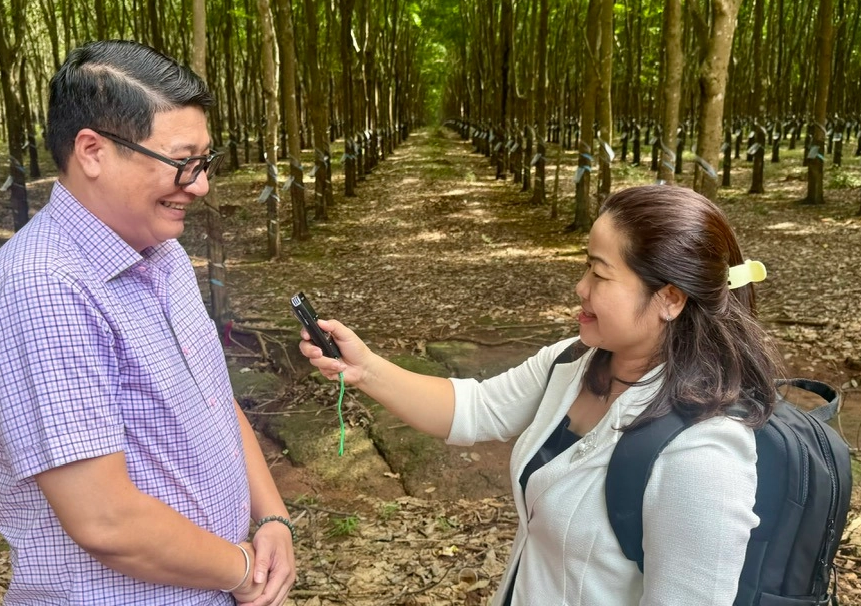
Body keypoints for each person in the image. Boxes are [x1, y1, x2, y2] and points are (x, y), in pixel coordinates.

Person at [298, 184, 781, 606]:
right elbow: (475, 409)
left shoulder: (702, 452)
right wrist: (365, 369)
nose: (580, 287)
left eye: (600, 273)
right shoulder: (573, 362)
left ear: (670, 299)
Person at [0, 40, 295, 606]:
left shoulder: (161, 255)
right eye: (183, 163)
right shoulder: (45, 290)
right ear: (92, 150)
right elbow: (106, 520)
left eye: (206, 161)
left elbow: (215, 399)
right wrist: (241, 570)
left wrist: (272, 520)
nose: (201, 185)